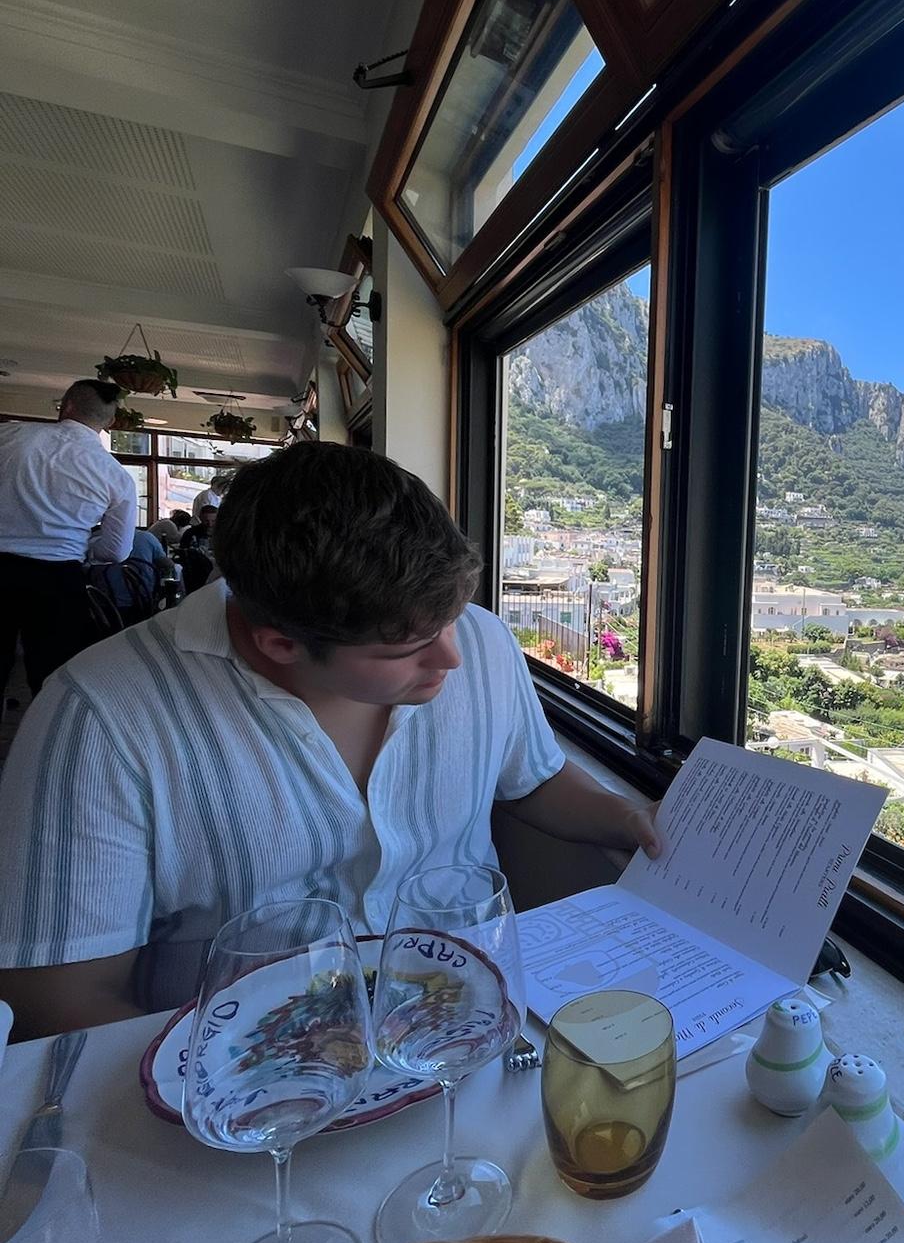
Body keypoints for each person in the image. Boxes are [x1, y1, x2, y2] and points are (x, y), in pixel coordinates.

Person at [0, 442, 660, 1039]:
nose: (455, 658)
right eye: (405, 648)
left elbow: (534, 779)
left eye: (455, 617)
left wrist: (625, 818)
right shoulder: (99, 717)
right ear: (280, 643)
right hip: (245, 1070)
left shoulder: (482, 642)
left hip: (467, 1029)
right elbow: (60, 995)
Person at [0, 380, 137, 696]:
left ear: (66, 405)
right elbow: (116, 552)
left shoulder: (9, 436)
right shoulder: (114, 474)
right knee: (51, 679)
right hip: (58, 577)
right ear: (111, 422)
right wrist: (86, 549)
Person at [87, 525, 171, 627]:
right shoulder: (147, 537)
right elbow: (167, 565)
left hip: (104, 604)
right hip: (142, 600)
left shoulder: (92, 540)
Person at [178, 503, 218, 594]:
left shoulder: (222, 533)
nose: (210, 524)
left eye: (213, 521)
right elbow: (183, 552)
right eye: (206, 521)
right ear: (200, 518)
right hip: (196, 573)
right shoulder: (191, 533)